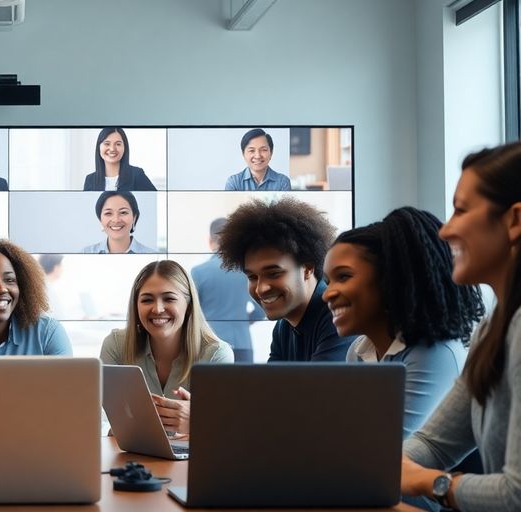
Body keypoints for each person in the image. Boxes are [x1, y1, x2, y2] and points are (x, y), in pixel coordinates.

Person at [400, 143, 521, 510]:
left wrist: (432, 483)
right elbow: (434, 445)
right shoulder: (492, 328)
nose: (445, 230)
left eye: (461, 210)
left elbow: (516, 494)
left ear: (514, 221)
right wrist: (369, 467)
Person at [322, 207, 484, 439]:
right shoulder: (357, 352)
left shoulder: (435, 353)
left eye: (344, 277)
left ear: (390, 280)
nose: (327, 294)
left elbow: (388, 449)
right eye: (328, 281)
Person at [100, 260, 233, 434]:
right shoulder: (116, 345)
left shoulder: (216, 354)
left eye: (169, 298)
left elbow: (224, 429)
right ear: (136, 306)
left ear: (189, 305)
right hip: (133, 455)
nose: (158, 309)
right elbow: (104, 418)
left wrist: (198, 421)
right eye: (147, 300)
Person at [215, 197, 354, 361]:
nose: (261, 288)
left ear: (307, 268)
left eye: (274, 273)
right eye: (252, 277)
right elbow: (271, 385)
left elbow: (318, 386)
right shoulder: (284, 327)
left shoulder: (336, 315)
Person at [191, 218, 266, 362]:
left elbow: (192, 312)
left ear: (211, 240)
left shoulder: (198, 272)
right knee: (243, 385)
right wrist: (244, 321)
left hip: (210, 344)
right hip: (242, 343)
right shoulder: (246, 272)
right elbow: (261, 309)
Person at [82, 128, 156, 191]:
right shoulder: (90, 180)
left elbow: (154, 200)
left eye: (118, 144)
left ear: (124, 148)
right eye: (107, 144)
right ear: (99, 147)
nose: (112, 149)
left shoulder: (136, 175)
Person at [82, 191, 156, 254]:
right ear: (100, 219)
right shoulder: (85, 252)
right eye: (108, 213)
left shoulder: (151, 253)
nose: (116, 220)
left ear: (134, 218)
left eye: (123, 212)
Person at [223, 128, 292, 191]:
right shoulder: (234, 182)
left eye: (263, 150)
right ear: (243, 154)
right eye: (252, 151)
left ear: (271, 152)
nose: (258, 156)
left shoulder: (283, 182)